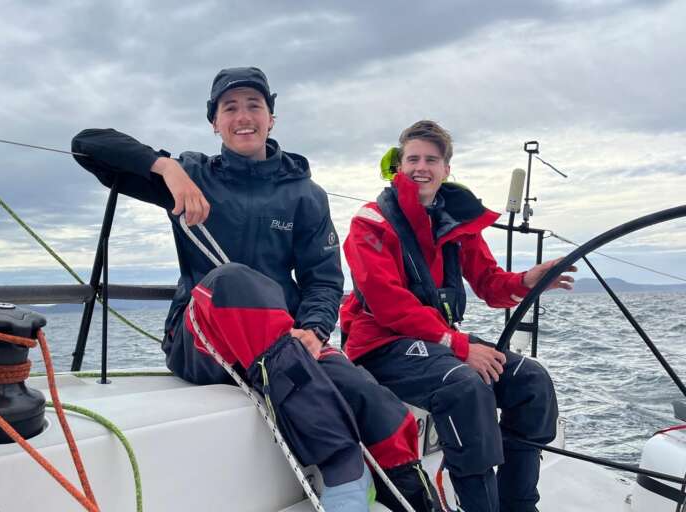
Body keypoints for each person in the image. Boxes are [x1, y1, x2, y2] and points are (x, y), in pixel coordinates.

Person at [72, 68, 438, 511]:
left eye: (254, 106)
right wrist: (166, 167)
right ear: (214, 122)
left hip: (282, 344)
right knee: (233, 280)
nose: (243, 117)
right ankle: (343, 470)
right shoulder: (189, 174)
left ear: (271, 118)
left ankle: (418, 500)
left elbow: (323, 279)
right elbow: (87, 145)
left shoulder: (305, 194)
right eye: (230, 108)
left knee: (370, 396)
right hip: (201, 344)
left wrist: (314, 330)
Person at [341, 120, 574, 512]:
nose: (421, 167)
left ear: (447, 169)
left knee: (531, 382)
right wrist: (459, 345)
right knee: (464, 387)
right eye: (412, 158)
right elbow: (386, 302)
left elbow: (488, 283)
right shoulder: (370, 222)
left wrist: (527, 282)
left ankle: (518, 504)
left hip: (437, 343)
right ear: (399, 166)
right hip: (379, 346)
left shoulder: (456, 223)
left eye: (432, 159)